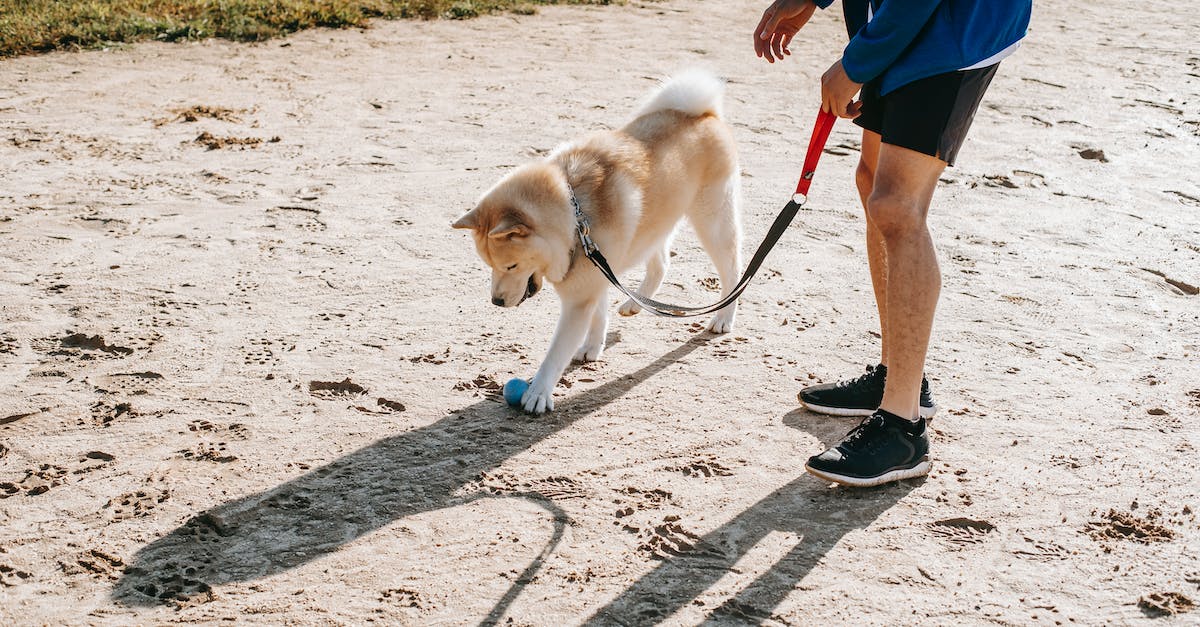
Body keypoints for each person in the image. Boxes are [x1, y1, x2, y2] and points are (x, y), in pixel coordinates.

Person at [753, 0, 1032, 487]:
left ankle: (902, 427)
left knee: (897, 206)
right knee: (871, 180)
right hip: (899, 16)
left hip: (952, 27)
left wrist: (857, 62)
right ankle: (899, 377)